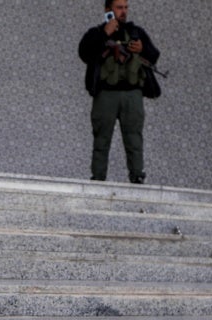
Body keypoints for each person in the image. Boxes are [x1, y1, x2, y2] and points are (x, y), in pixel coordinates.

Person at [78, 0, 160, 184]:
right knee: (101, 138)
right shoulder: (97, 33)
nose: (123, 11)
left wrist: (142, 49)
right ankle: (98, 177)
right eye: (119, 7)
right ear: (108, 10)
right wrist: (104, 33)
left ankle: (137, 175)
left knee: (134, 138)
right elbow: (84, 53)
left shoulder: (136, 33)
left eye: (125, 7)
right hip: (106, 93)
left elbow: (154, 55)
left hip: (132, 94)